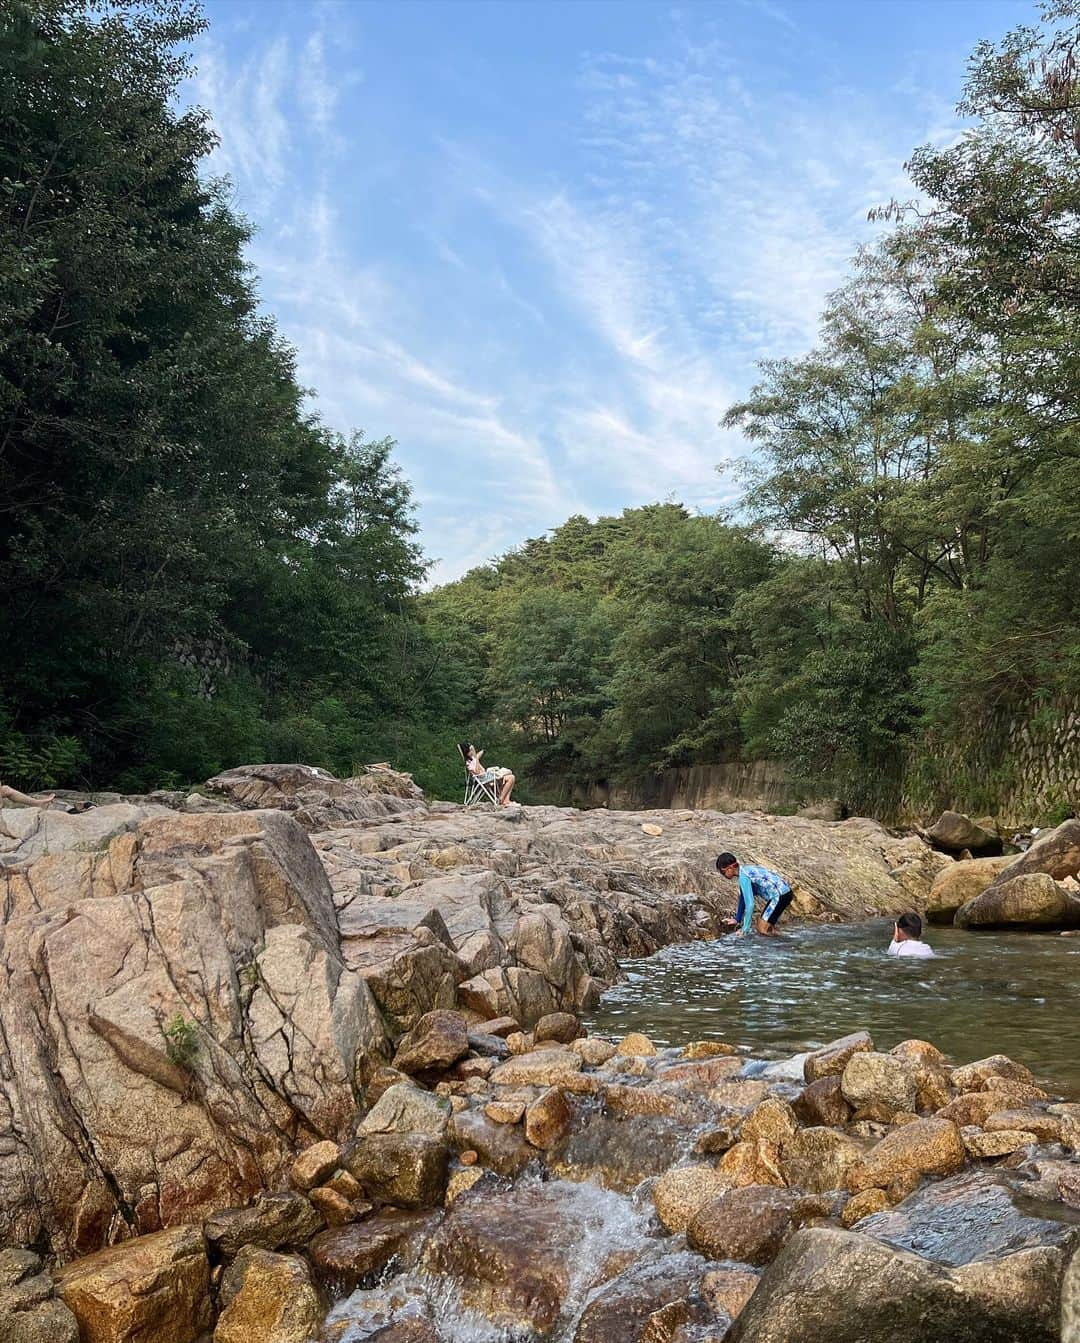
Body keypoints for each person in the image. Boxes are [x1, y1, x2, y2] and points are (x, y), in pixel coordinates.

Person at [715, 852, 794, 936]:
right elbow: (743, 898)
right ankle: (782, 941)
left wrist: (745, 929)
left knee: (762, 929)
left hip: (779, 895)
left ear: (730, 868)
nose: (723, 875)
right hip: (785, 893)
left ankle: (782, 945)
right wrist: (737, 919)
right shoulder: (745, 870)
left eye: (723, 872)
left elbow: (750, 905)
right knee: (767, 927)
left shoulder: (743, 877)